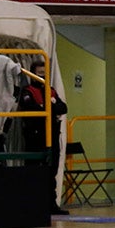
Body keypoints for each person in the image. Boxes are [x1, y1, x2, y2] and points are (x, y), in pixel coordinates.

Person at [19, 58, 68, 215]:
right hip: (35, 137)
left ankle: (51, 204)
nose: (43, 76)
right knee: (34, 171)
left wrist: (47, 107)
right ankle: (33, 205)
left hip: (52, 135)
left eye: (45, 73)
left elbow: (63, 107)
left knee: (52, 171)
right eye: (40, 73)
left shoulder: (51, 90)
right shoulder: (27, 91)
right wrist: (50, 107)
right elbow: (31, 108)